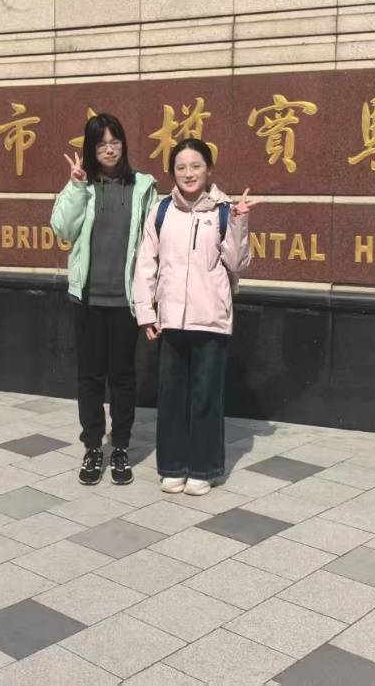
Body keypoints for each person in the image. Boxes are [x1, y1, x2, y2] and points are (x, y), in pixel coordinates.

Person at [132, 137, 254, 495]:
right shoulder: (162, 211)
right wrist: (146, 312)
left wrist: (239, 222)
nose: (188, 173)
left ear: (209, 170)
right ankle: (173, 465)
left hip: (211, 317)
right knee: (172, 396)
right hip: (171, 318)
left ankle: (204, 467)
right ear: (173, 172)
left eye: (196, 166)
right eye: (181, 167)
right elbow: (146, 263)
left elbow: (238, 263)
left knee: (205, 397)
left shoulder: (224, 211)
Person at [51, 114, 157, 486]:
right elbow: (62, 229)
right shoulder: (84, 185)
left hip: (126, 300)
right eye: (101, 144)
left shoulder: (143, 186)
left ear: (123, 144)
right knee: (90, 377)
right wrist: (75, 187)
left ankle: (121, 447)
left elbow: (154, 241)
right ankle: (94, 447)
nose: (109, 150)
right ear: (91, 149)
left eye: (115, 142)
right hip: (88, 299)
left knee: (123, 377)